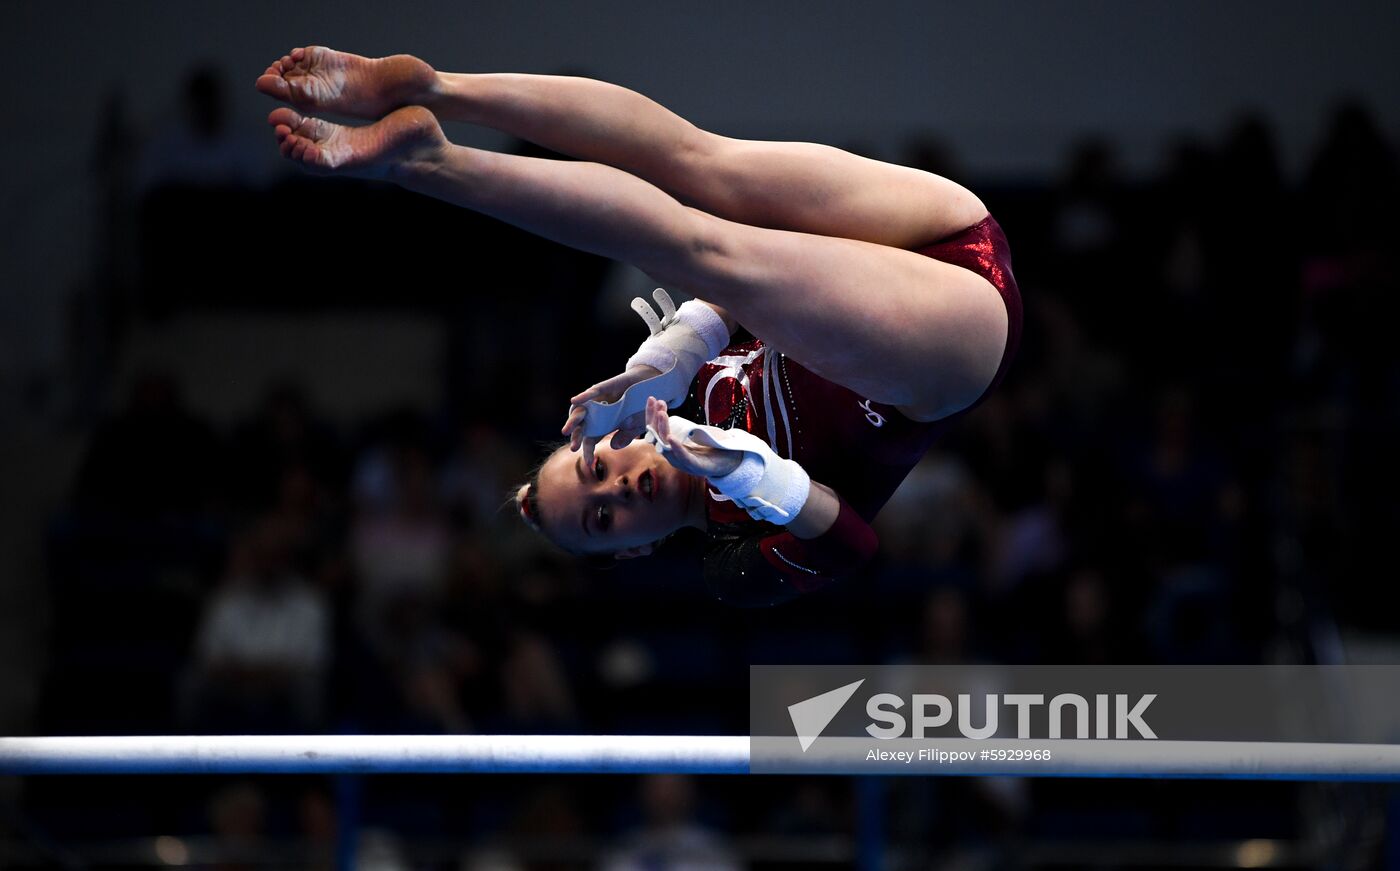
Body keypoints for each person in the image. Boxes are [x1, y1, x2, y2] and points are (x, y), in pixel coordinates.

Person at [256, 46, 1021, 606]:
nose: (617, 490)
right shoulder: (731, 549)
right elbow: (851, 544)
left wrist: (681, 352)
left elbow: (769, 297)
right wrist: (754, 477)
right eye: (603, 518)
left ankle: (435, 88)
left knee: (701, 166)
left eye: (595, 469)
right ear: (636, 547)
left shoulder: (687, 401)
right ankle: (428, 163)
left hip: (947, 231)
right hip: (951, 347)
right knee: (708, 248)